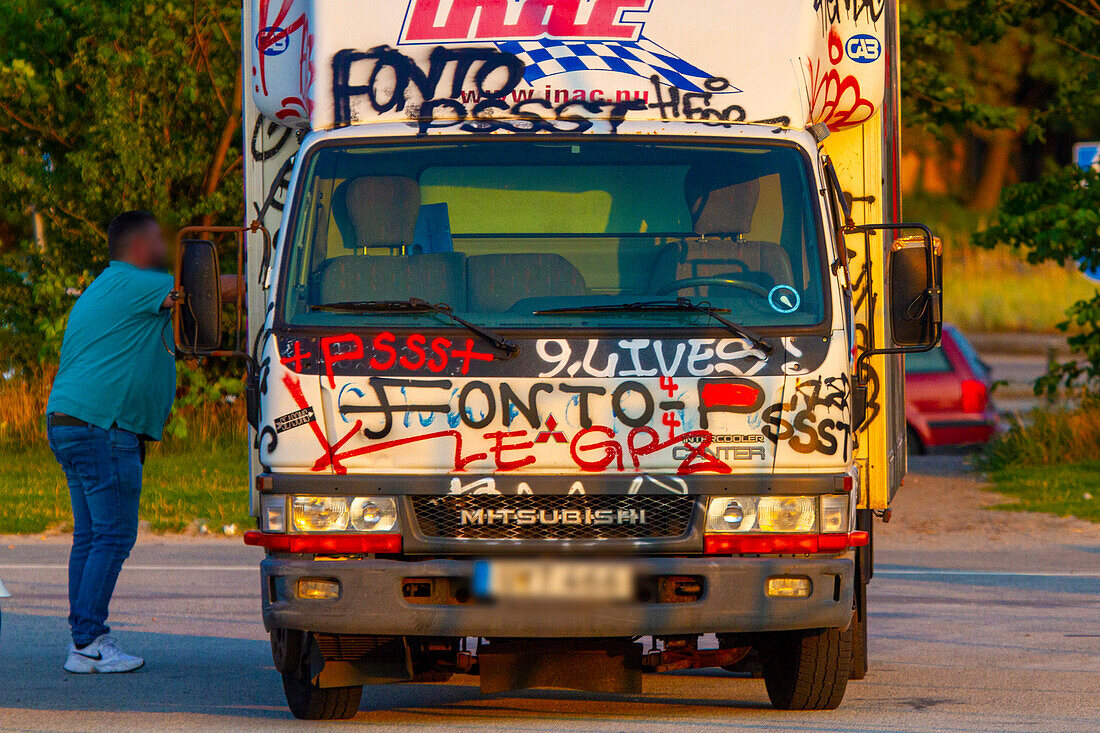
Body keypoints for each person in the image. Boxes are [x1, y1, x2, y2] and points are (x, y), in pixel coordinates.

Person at [45, 210, 235, 673]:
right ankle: (87, 643)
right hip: (102, 427)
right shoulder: (138, 283)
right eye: (158, 238)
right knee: (113, 534)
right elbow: (217, 290)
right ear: (138, 245)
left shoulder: (107, 285)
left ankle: (85, 639)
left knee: (91, 536)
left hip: (70, 421)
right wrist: (272, 274)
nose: (165, 246)